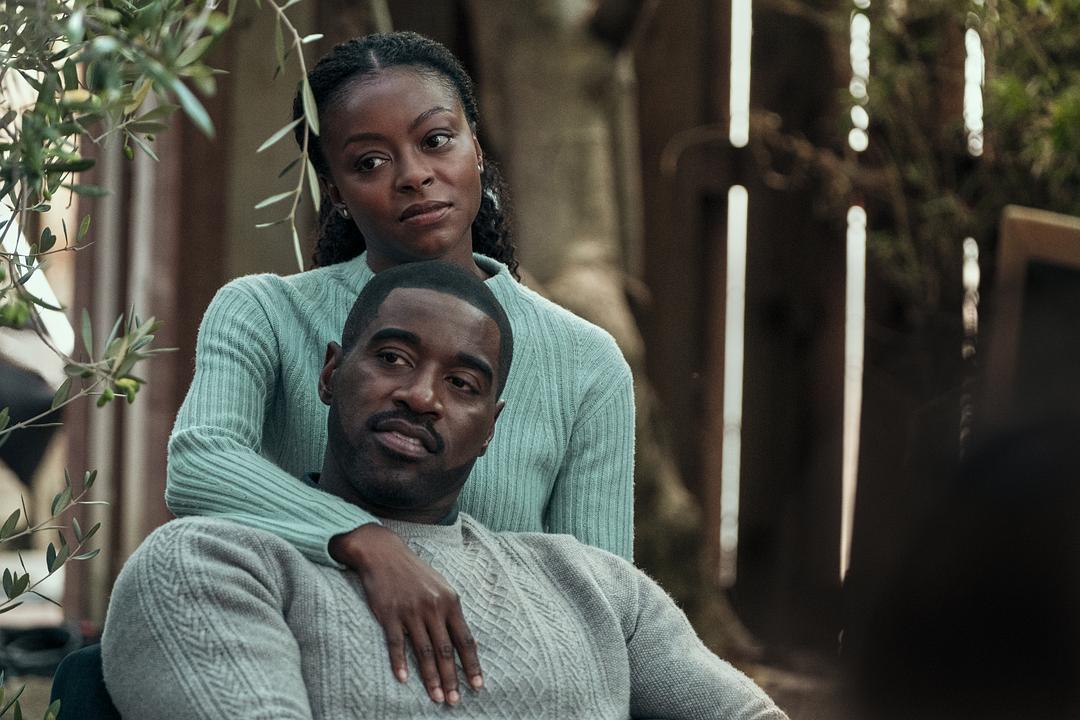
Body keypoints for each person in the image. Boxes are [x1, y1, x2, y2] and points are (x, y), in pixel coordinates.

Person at [165, 31, 635, 704]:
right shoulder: (265, 313)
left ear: (477, 148)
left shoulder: (584, 361)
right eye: (370, 161)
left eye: (436, 140)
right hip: (302, 669)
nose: (413, 174)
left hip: (496, 687)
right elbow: (200, 462)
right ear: (336, 190)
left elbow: (601, 598)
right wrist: (362, 540)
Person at [103, 262, 785, 720]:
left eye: (462, 384)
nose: (422, 396)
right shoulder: (213, 564)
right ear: (331, 374)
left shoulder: (597, 587)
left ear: (490, 429)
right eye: (393, 357)